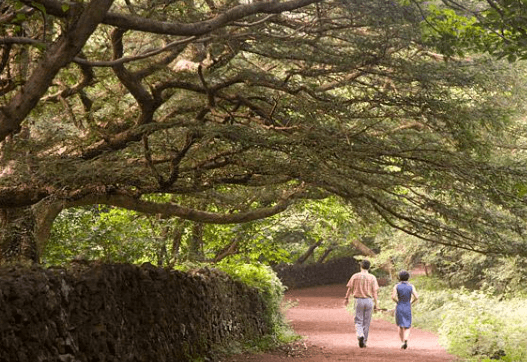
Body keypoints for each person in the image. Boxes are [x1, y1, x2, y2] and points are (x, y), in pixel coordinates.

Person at [344, 259, 380, 348]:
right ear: (369, 267)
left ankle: (360, 335)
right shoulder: (372, 277)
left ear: (361, 266)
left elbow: (349, 288)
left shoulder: (355, 276)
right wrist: (377, 304)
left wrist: (346, 298)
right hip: (369, 300)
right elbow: (375, 292)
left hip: (358, 300)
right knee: (366, 322)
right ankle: (364, 341)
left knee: (358, 320)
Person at [391, 270, 419, 350]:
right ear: (408, 277)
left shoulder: (396, 286)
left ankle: (402, 341)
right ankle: (406, 339)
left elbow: (393, 297)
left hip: (399, 306)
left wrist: (397, 301)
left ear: (399, 277)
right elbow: (417, 297)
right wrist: (411, 302)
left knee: (400, 325)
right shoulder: (411, 286)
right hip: (407, 306)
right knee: (407, 325)